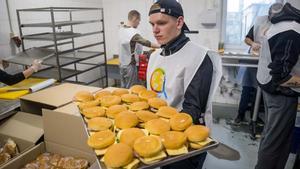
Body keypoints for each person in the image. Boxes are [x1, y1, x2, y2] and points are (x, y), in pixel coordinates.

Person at [147, 0, 222, 168]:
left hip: (185, 141)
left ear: (179, 22)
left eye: (161, 23)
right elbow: (151, 96)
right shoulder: (155, 56)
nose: (155, 30)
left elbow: (192, 111)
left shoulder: (199, 58)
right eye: (152, 24)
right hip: (159, 133)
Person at [256, 0, 300, 168]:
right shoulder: (292, 30)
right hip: (280, 92)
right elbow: (281, 75)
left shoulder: (284, 24)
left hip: (271, 88)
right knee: (275, 142)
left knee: (273, 136)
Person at [234, 3, 283, 124]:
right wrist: (252, 44)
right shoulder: (260, 22)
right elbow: (247, 38)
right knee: (247, 88)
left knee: (259, 91)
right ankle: (240, 116)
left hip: (267, 63)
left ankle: (253, 118)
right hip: (253, 60)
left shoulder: (281, 26)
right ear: (269, 13)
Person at [118, 10, 160, 89]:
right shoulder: (132, 33)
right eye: (139, 20)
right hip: (130, 65)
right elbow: (146, 43)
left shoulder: (121, 29)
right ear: (134, 18)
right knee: (131, 88)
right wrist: (161, 46)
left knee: (123, 87)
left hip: (121, 63)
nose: (139, 23)